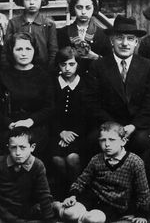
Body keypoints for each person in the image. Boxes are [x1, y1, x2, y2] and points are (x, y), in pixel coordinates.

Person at [85, 15, 150, 156]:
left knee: (142, 141)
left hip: (137, 126)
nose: (125, 43)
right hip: (108, 124)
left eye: (130, 38)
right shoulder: (98, 66)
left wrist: (133, 126)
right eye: (120, 37)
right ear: (111, 40)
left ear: (136, 42)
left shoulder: (148, 66)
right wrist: (114, 127)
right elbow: (92, 102)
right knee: (93, 140)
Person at [54, 121, 150, 223]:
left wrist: (141, 214)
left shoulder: (135, 162)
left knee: (94, 219)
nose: (107, 144)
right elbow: (82, 181)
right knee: (70, 213)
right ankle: (57, 206)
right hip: (92, 198)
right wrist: (73, 195)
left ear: (123, 141)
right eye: (103, 140)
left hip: (114, 206)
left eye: (112, 140)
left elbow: (143, 191)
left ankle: (78, 218)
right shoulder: (97, 159)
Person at [0, 32, 54, 159]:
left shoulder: (43, 75)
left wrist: (30, 121)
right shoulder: (2, 76)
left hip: (35, 127)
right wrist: (9, 123)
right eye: (19, 49)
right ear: (11, 51)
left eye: (28, 49)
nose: (24, 53)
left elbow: (49, 107)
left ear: (34, 50)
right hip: (10, 128)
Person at [51, 46, 87, 199]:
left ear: (78, 64)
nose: (67, 68)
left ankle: (77, 194)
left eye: (71, 64)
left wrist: (71, 135)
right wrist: (61, 132)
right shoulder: (52, 83)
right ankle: (63, 193)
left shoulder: (85, 84)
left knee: (73, 159)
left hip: (78, 134)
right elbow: (49, 112)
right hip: (56, 132)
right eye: (63, 64)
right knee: (57, 160)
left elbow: (87, 115)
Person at [57, 0, 112, 75]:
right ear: (73, 8)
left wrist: (94, 56)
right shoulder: (62, 33)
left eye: (88, 8)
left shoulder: (103, 34)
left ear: (94, 8)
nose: (83, 12)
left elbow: (110, 63)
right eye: (79, 7)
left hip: (95, 79)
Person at [4, 0, 58, 69]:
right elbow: (6, 51)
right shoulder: (13, 23)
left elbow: (53, 52)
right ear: (22, 0)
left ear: (42, 0)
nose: (32, 2)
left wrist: (49, 72)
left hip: (42, 70)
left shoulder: (49, 24)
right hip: (18, 70)